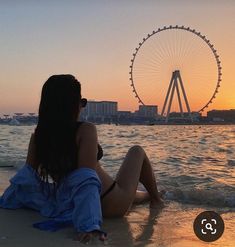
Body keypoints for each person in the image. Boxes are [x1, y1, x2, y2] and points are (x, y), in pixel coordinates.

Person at [0, 74, 163, 243]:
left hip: (75, 201)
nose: (81, 107)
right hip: (109, 202)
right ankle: (157, 200)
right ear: (72, 105)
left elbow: (27, 179)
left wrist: (6, 201)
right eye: (81, 102)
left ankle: (154, 196)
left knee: (138, 196)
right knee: (137, 151)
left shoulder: (39, 136)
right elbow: (86, 180)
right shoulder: (85, 130)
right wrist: (89, 225)